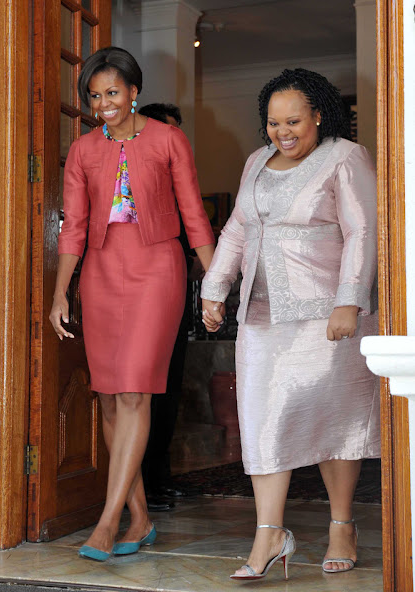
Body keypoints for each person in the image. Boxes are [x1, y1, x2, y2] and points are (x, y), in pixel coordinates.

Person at [201, 68, 379, 581]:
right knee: (262, 422)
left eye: (294, 121)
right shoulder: (256, 162)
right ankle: (269, 533)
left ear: (318, 115)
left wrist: (349, 300)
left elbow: (363, 230)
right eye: (274, 122)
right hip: (261, 316)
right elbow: (237, 228)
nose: (283, 132)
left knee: (335, 422)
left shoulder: (345, 157)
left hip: (326, 318)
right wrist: (215, 287)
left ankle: (342, 525)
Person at [49, 47, 215, 561]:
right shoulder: (83, 151)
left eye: (113, 92)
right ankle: (140, 519)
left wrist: (214, 279)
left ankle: (107, 522)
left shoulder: (168, 139)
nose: (103, 104)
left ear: (134, 92)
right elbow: (74, 226)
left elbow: (193, 212)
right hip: (100, 273)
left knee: (135, 392)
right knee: (107, 396)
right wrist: (61, 291)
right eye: (95, 96)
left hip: (157, 270)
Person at [139, 102, 203, 509]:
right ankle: (141, 485)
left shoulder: (178, 186)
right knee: (144, 391)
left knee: (170, 388)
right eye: (169, 132)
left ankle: (159, 478)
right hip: (141, 297)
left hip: (175, 297)